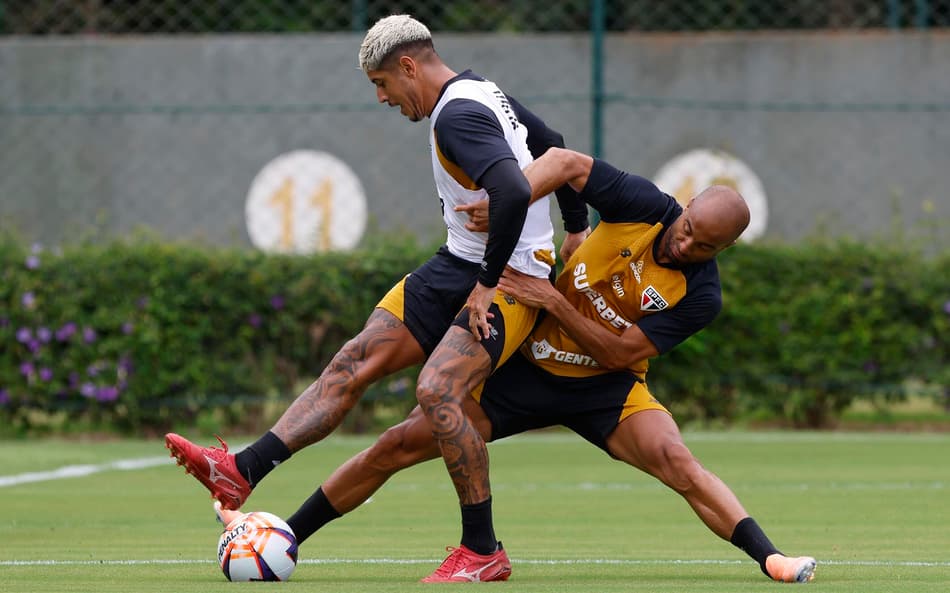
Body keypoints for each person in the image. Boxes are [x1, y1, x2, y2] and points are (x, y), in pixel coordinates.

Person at [216, 147, 817, 584]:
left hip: (605, 389)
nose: (687, 246)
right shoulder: (642, 205)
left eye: (705, 247)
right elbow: (562, 162)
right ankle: (286, 538)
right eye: (688, 231)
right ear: (682, 210)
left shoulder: (702, 296)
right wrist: (503, 200)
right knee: (397, 444)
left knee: (677, 461)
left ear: (723, 250)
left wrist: (553, 298)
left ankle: (771, 558)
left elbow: (622, 352)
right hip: (524, 371)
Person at [164, 12, 590, 579]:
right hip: (455, 265)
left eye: (382, 84)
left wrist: (489, 285)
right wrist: (577, 226)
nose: (383, 98)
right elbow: (553, 145)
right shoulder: (481, 92)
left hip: (508, 282)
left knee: (437, 392)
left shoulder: (458, 115)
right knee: (353, 362)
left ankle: (483, 550)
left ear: (409, 66)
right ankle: (241, 468)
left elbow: (511, 188)